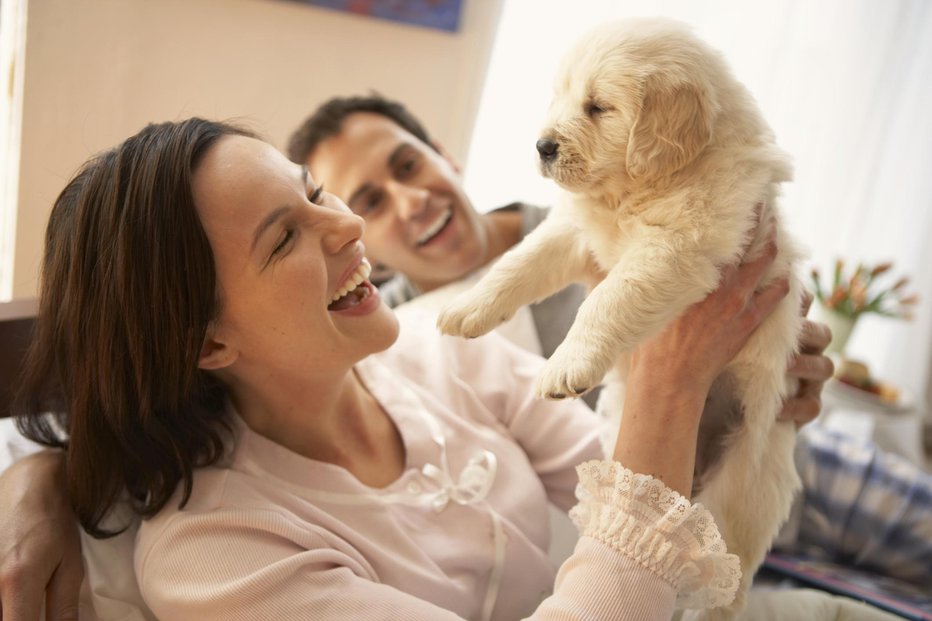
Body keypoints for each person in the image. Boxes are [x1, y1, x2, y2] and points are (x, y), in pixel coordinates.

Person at [0, 118, 814, 620]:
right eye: (284, 239)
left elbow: (657, 511)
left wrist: (740, 397)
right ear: (206, 345)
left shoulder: (436, 348)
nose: (348, 225)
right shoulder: (219, 552)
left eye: (316, 191)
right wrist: (667, 387)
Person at [285, 93, 932, 584]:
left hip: (801, 469)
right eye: (370, 199)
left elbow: (746, 288)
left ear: (446, 158)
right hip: (668, 553)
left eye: (409, 164)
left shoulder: (595, 219)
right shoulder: (391, 346)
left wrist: (787, 358)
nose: (410, 200)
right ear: (349, 228)